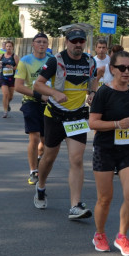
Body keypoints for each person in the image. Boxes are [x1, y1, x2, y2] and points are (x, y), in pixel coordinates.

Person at [88, 50, 129, 256]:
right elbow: (93, 122)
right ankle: (99, 234)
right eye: (122, 68)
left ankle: (122, 236)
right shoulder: (104, 93)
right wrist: (116, 124)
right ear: (112, 69)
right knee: (105, 198)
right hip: (105, 149)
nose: (126, 72)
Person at [32, 27, 98, 219]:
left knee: (76, 159)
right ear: (67, 42)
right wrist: (54, 93)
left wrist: (92, 93)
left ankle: (75, 205)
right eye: (74, 41)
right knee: (49, 157)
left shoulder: (90, 61)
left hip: (77, 116)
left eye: (81, 41)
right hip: (55, 116)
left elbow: (93, 80)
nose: (78, 45)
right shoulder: (56, 61)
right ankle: (41, 186)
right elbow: (38, 84)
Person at [15, 33, 52, 188]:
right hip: (31, 102)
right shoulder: (25, 61)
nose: (42, 45)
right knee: (34, 137)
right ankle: (33, 170)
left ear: (48, 45)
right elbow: (18, 86)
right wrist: (38, 95)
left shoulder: (52, 60)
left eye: (44, 42)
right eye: (39, 42)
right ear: (33, 44)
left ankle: (39, 159)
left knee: (45, 142)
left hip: (49, 103)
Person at [0, 40, 18, 118]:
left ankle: (7, 103)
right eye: (7, 46)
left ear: (12, 47)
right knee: (5, 94)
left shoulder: (15, 56)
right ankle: (5, 111)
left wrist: (12, 67)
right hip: (3, 77)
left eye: (10, 46)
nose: (8, 48)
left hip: (12, 78)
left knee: (11, 96)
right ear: (5, 47)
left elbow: (18, 67)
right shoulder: (1, 56)